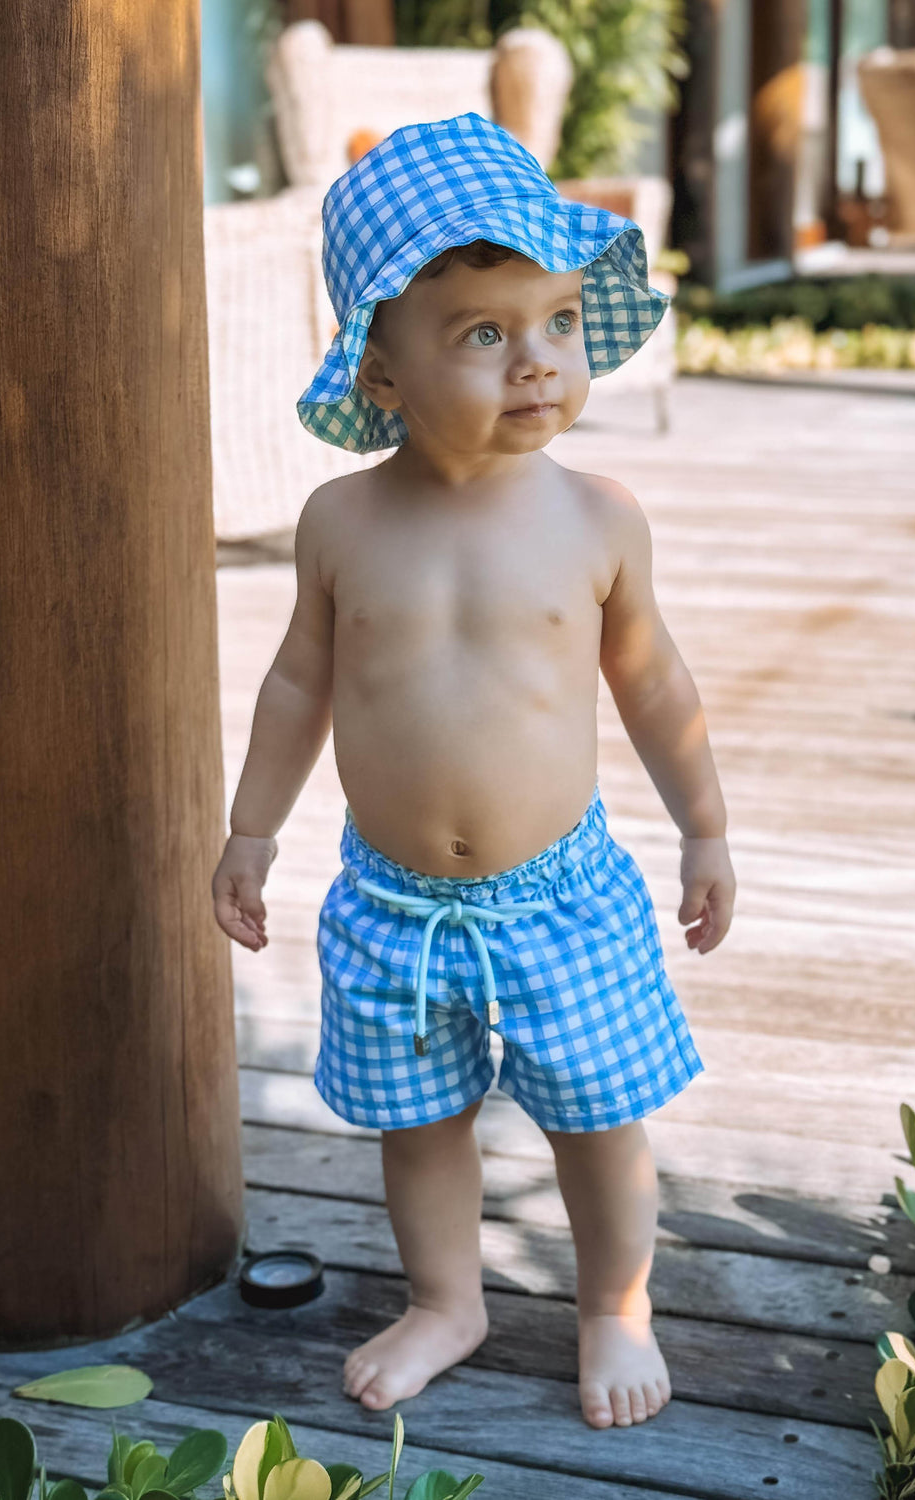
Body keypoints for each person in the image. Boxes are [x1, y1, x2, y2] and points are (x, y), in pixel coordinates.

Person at [211, 113, 735, 1430]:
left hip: (562, 891)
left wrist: (706, 832)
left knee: (598, 1115)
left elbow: (657, 684)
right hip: (390, 900)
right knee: (420, 1124)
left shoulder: (597, 518)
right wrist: (252, 831)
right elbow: (296, 687)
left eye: (557, 322)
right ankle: (448, 1296)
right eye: (483, 334)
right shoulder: (341, 523)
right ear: (378, 370)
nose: (536, 362)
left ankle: (616, 1302)